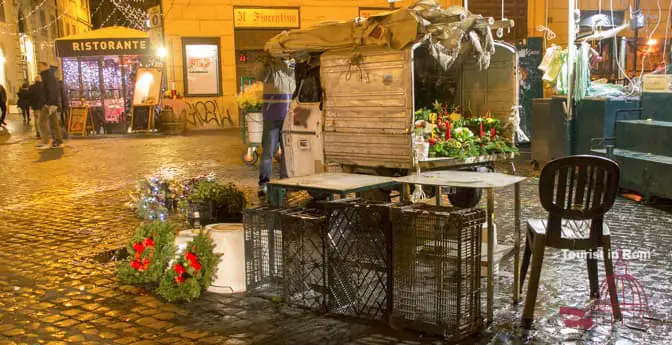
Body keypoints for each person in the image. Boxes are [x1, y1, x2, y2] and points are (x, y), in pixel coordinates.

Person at [257, 56, 295, 197]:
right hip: (272, 118)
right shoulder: (271, 68)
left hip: (289, 119)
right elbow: (259, 75)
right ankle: (264, 183)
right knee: (268, 153)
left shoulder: (293, 69)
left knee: (288, 153)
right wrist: (266, 61)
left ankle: (285, 182)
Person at [37, 62, 63, 149]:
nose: (39, 68)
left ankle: (47, 141)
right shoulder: (47, 76)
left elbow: (52, 90)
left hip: (48, 103)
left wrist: (50, 103)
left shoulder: (48, 76)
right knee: (53, 122)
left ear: (45, 66)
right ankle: (57, 141)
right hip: (50, 103)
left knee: (42, 123)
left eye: (40, 66)